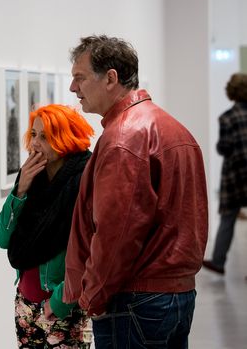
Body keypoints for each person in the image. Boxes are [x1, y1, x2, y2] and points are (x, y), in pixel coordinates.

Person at [63, 35, 208, 349]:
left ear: (111, 78)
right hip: (176, 296)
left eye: (80, 78)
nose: (73, 89)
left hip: (134, 301)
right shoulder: (172, 127)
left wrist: (91, 297)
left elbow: (117, 233)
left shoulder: (123, 138)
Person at [0, 104, 94, 348]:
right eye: (34, 134)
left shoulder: (83, 180)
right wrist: (19, 191)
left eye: (45, 137)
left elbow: (89, 253)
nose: (35, 143)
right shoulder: (31, 177)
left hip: (64, 306)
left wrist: (59, 301)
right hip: (25, 303)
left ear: (65, 139)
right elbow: (2, 238)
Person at [203, 73, 247, 275]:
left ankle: (219, 262)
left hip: (235, 175)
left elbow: (223, 148)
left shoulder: (227, 118)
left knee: (228, 219)